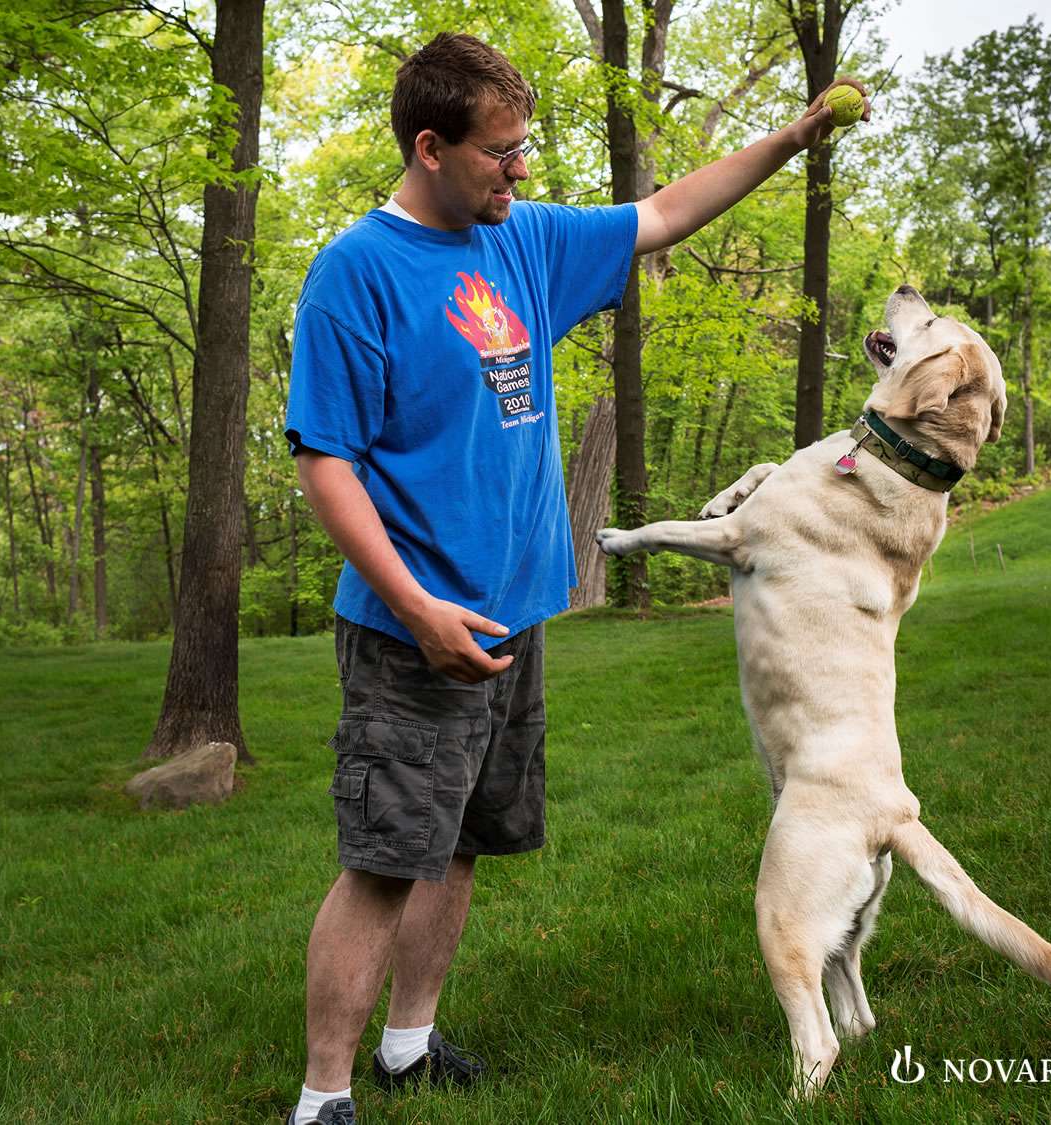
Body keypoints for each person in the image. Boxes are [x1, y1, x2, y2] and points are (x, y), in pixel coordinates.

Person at [282, 32, 866, 1125]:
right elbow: (325, 458)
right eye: (501, 152)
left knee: (459, 844)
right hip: (416, 628)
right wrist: (414, 608)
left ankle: (408, 1046)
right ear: (428, 147)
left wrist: (790, 139)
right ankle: (322, 1101)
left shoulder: (526, 244)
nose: (521, 171)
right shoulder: (355, 272)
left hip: (510, 614)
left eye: (524, 149)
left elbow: (669, 211)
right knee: (383, 862)